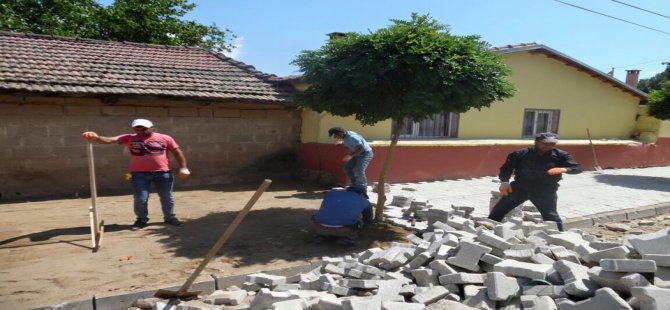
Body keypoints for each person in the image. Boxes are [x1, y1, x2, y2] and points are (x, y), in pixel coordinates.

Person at [81, 119, 190, 230]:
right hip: (139, 174)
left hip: (163, 173)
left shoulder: (165, 138)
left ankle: (170, 218)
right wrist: (96, 137)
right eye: (137, 129)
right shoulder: (129, 138)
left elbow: (177, 152)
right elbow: (110, 140)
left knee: (167, 197)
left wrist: (184, 167)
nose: (140, 131)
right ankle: (141, 220)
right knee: (140, 198)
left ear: (152, 127)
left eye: (143, 129)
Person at [488, 132, 582, 231]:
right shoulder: (520, 154)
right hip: (520, 188)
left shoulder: (561, 155)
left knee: (551, 216)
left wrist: (565, 169)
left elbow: (577, 168)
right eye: (545, 143)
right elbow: (506, 169)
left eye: (552, 144)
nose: (548, 146)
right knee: (499, 210)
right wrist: (504, 183)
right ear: (536, 142)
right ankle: (487, 229)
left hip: (545, 191)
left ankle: (560, 235)